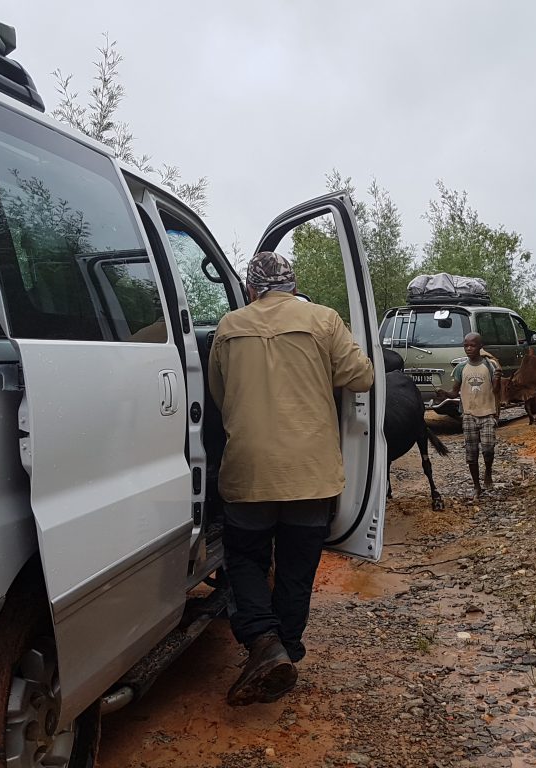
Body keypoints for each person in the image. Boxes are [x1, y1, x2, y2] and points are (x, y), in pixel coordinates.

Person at [208, 251, 374, 706]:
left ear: (251, 289)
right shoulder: (323, 319)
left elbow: (219, 396)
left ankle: (264, 640)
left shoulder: (228, 326)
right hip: (310, 472)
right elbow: (361, 377)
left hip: (249, 469)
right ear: (294, 285)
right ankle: (287, 646)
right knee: (298, 565)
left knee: (245, 558)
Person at [436, 332, 501, 498]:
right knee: (471, 453)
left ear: (480, 347)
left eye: (472, 345)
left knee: (488, 448)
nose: (469, 349)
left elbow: (496, 391)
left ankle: (487, 472)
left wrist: (498, 380)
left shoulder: (490, 365)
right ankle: (476, 486)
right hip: (468, 414)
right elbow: (454, 392)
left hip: (487, 413)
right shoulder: (461, 368)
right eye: (466, 346)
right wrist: (444, 393)